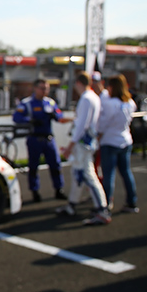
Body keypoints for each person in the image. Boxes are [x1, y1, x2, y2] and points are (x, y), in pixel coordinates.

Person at [56, 71, 110, 225]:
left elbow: (81, 126)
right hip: (87, 142)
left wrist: (70, 146)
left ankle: (102, 209)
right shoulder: (93, 97)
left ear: (78, 83)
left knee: (87, 175)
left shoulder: (86, 99)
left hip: (82, 143)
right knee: (78, 174)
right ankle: (72, 204)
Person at [12, 79, 71, 203]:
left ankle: (58, 189)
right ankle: (34, 192)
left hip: (48, 139)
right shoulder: (27, 103)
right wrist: (30, 120)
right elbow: (16, 117)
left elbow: (59, 115)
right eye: (42, 88)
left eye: (47, 88)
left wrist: (57, 116)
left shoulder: (50, 102)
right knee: (33, 166)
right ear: (35, 88)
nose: (45, 91)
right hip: (34, 138)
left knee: (55, 164)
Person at [97, 74, 139, 214]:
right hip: (125, 140)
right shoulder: (129, 103)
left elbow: (103, 123)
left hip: (110, 142)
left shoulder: (110, 103)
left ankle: (106, 203)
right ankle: (131, 201)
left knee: (109, 174)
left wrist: (98, 136)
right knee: (126, 172)